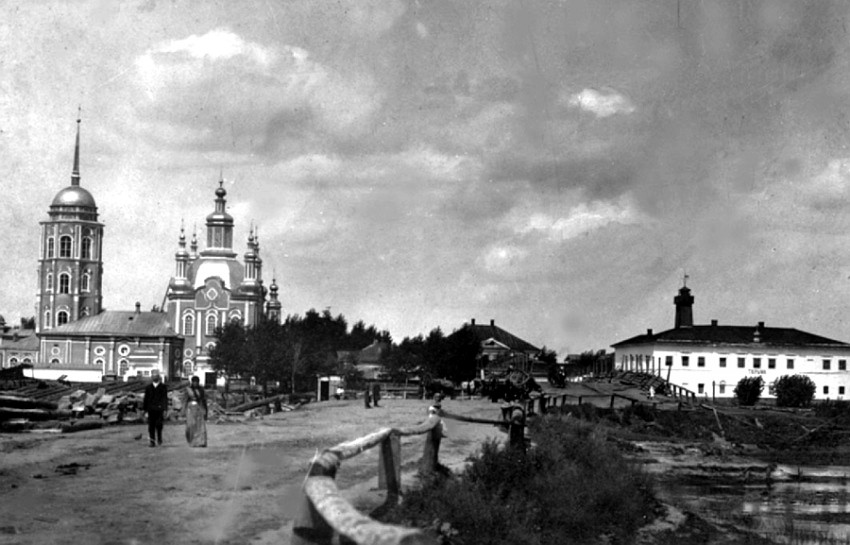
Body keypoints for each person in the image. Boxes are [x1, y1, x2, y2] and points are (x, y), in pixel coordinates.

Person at [143, 373, 168, 447]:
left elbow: (165, 399)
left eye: (156, 376)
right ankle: (152, 441)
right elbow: (146, 399)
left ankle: (159, 439)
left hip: (159, 409)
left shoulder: (163, 387)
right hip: (151, 409)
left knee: (159, 425)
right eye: (153, 376)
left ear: (159, 377)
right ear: (151, 377)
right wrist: (145, 410)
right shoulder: (148, 387)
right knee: (151, 426)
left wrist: (165, 409)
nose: (155, 378)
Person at [183, 376, 208, 447]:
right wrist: (183, 410)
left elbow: (203, 400)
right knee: (190, 425)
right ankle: (191, 441)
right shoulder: (188, 390)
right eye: (194, 382)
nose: (195, 383)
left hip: (199, 408)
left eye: (196, 382)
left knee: (200, 426)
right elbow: (185, 400)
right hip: (190, 409)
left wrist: (205, 410)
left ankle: (200, 442)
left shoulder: (201, 390)